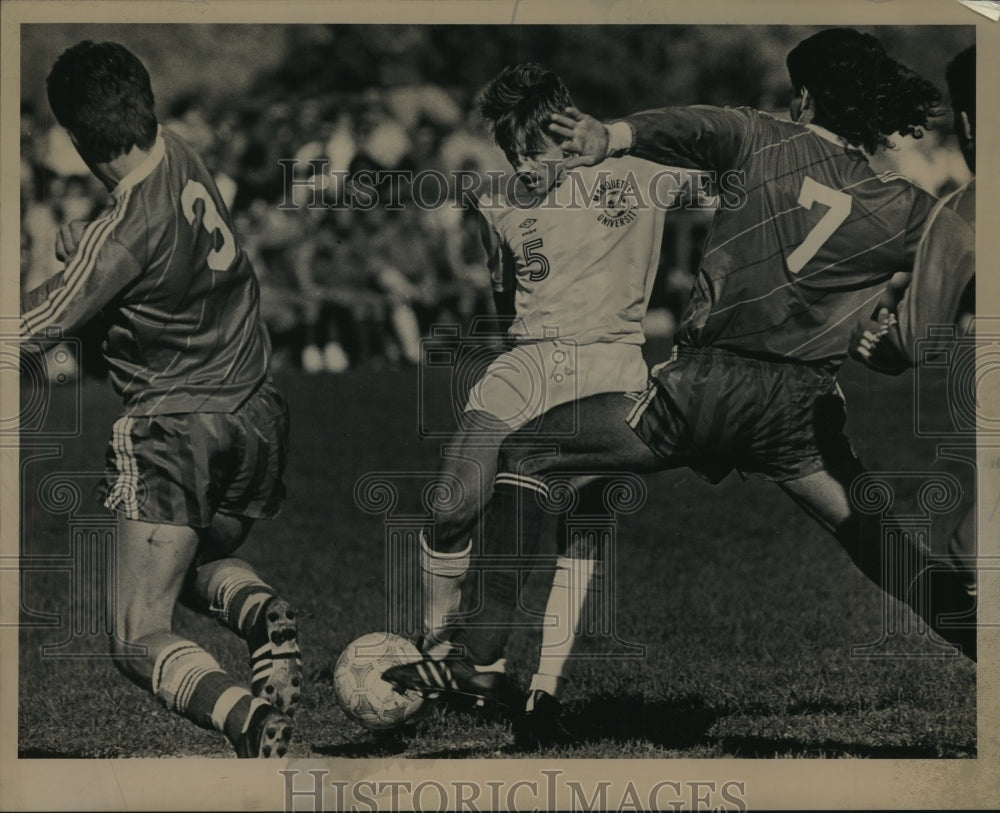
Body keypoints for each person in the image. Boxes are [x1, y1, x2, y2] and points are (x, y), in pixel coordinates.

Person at [385, 28, 977, 746]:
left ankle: (479, 657)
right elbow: (942, 286)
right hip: (796, 408)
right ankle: (985, 643)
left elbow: (690, 125)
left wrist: (614, 134)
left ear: (808, 97)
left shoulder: (761, 137)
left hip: (705, 389)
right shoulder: (908, 208)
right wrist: (888, 344)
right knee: (879, 545)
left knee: (531, 453)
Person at [21, 41, 301, 758]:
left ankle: (247, 719)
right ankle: (263, 613)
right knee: (188, 564)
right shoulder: (181, 152)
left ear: (78, 140)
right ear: (143, 104)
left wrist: (88, 250)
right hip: (257, 414)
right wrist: (94, 242)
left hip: (178, 429)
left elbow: (32, 328)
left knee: (134, 632)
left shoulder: (124, 229)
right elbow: (148, 244)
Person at [413, 63, 681, 736]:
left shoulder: (643, 173)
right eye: (512, 150)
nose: (525, 163)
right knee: (451, 502)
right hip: (530, 360)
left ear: (565, 127)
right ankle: (444, 651)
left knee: (578, 525)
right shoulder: (495, 198)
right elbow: (504, 287)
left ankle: (542, 688)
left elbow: (725, 158)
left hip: (612, 362)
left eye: (534, 145)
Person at [852, 44, 977, 594]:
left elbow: (913, 340)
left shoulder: (964, 213)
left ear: (970, 121)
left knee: (975, 555)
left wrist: (869, 335)